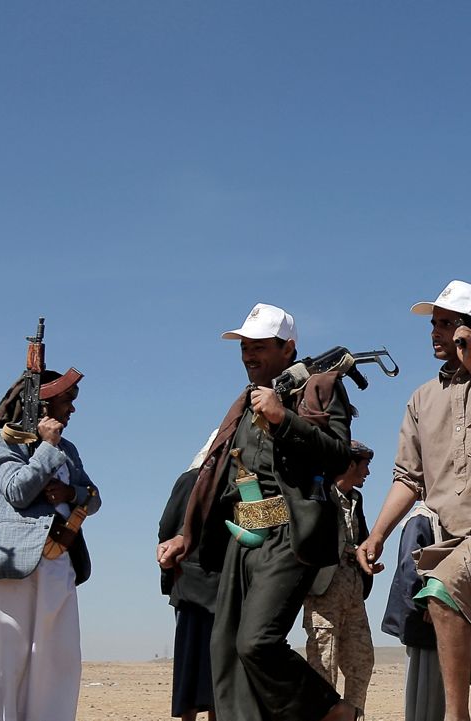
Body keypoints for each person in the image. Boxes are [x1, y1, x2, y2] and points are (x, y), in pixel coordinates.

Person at [158, 302, 356, 721]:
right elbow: (217, 477)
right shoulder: (243, 406)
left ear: (288, 348)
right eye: (244, 347)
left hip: (290, 535)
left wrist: (284, 418)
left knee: (257, 643)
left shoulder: (319, 388)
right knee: (226, 652)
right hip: (243, 539)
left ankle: (332, 711)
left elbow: (339, 457)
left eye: (259, 346)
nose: (249, 355)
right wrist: (185, 535)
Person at [359, 280, 471, 721]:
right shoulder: (422, 399)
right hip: (452, 540)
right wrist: (378, 535)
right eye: (434, 324)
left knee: (441, 591)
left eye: (447, 324)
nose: (435, 333)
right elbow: (408, 478)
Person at [0, 366, 100, 721]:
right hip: (10, 569)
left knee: (56, 662)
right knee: (1, 667)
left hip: (59, 563)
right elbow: (18, 491)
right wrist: (46, 447)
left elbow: (94, 497)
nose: (72, 409)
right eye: (66, 401)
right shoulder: (1, 441)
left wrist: (71, 492)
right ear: (42, 406)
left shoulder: (69, 449)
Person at [303, 439, 377, 718]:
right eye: (365, 466)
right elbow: (311, 540)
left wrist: (366, 557)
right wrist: (348, 550)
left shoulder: (356, 500)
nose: (368, 473)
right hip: (325, 594)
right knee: (323, 664)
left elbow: (361, 538)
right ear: (349, 464)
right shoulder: (319, 495)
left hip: (354, 594)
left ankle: (351, 715)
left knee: (362, 660)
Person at [158, 432, 220, 721]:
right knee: (197, 667)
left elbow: (165, 527)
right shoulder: (190, 480)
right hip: (195, 587)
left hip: (212, 588)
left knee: (208, 668)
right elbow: (168, 528)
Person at [381, 504, 446, 721]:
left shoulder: (439, 519)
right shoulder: (423, 519)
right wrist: (427, 603)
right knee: (425, 698)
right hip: (426, 621)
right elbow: (411, 568)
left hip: (437, 620)